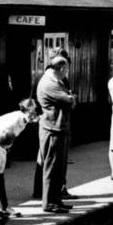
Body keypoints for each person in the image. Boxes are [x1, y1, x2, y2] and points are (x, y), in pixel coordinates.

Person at [37, 54, 76, 213]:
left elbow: (70, 100)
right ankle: (48, 203)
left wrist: (70, 98)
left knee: (59, 168)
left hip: (59, 128)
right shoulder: (49, 84)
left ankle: (56, 199)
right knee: (52, 168)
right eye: (66, 68)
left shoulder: (56, 81)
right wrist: (71, 97)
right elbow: (69, 99)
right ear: (61, 68)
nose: (67, 72)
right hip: (52, 130)